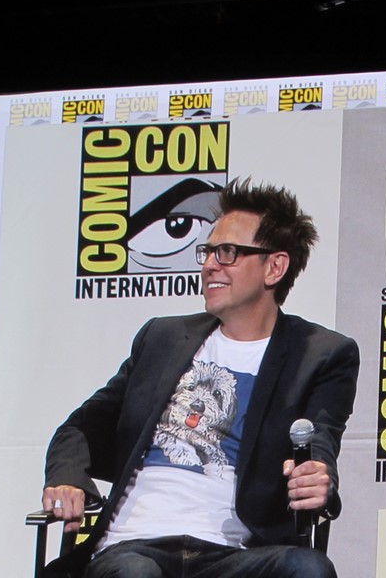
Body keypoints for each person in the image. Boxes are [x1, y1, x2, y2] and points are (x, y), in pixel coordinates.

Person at [41, 179, 360, 578]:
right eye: (207, 252)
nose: (209, 265)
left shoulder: (320, 355)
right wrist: (68, 478)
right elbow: (81, 426)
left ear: (274, 267)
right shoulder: (162, 338)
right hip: (134, 545)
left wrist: (318, 480)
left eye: (227, 253)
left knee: (308, 567)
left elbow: (319, 443)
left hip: (235, 554)